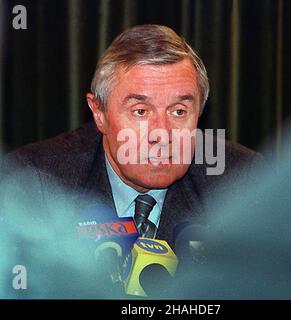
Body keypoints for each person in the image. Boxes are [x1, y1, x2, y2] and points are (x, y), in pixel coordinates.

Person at [1, 24, 262, 244]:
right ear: (99, 113)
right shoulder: (34, 183)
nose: (162, 134)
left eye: (179, 112)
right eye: (140, 111)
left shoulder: (244, 182)